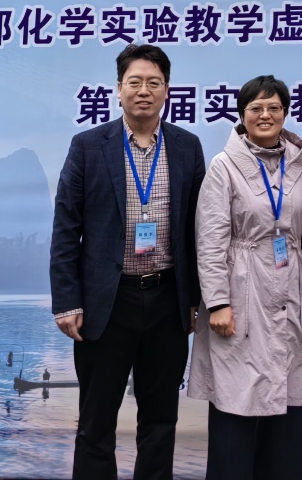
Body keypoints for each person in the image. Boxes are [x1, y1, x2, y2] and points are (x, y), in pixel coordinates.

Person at [50, 43, 206, 480]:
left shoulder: (187, 147)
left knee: (160, 420)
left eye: (154, 83)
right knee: (96, 421)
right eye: (134, 82)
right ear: (118, 89)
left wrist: (194, 299)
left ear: (167, 90)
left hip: (166, 299)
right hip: (106, 302)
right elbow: (66, 228)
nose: (144, 91)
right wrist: (67, 301)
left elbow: (198, 230)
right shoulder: (88, 146)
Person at [189, 75, 302, 480]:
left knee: (287, 405)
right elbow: (210, 240)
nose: (265, 115)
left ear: (285, 113)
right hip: (242, 291)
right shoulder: (224, 166)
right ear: (242, 115)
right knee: (236, 403)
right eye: (256, 108)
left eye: (274, 107)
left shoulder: (300, 163)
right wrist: (218, 303)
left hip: (290, 285)